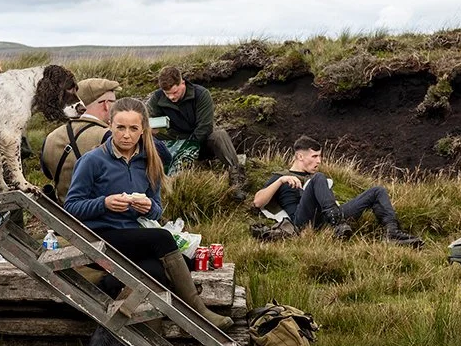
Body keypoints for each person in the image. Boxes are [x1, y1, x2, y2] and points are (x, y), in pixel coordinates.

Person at [65, 96, 231, 329]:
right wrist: (105, 203)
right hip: (100, 236)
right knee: (162, 238)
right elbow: (71, 207)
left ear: (143, 130)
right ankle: (198, 311)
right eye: (120, 127)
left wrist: (148, 208)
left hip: (134, 237)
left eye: (133, 128)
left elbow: (156, 209)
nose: (126, 134)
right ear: (110, 125)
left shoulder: (150, 161)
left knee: (153, 271)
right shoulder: (92, 161)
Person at [252, 135, 423, 247]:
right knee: (318, 177)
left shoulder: (317, 178)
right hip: (302, 221)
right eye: (314, 156)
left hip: (327, 216)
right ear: (300, 156)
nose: (319, 161)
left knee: (377, 191)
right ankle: (338, 224)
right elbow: (258, 201)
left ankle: (392, 233)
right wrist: (281, 180)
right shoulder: (280, 176)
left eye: (320, 156)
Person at [147, 66, 248, 196]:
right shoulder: (157, 98)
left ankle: (237, 179)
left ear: (182, 83)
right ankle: (150, 178)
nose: (171, 97)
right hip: (176, 141)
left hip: (202, 143)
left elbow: (204, 128)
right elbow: (146, 119)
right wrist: (151, 128)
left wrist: (186, 152)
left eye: (175, 92)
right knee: (146, 136)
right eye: (167, 94)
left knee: (219, 135)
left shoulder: (201, 94)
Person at [39, 77, 120, 199]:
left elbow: (48, 174)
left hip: (61, 213)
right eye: (114, 102)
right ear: (106, 105)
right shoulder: (107, 136)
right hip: (101, 214)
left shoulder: (50, 137)